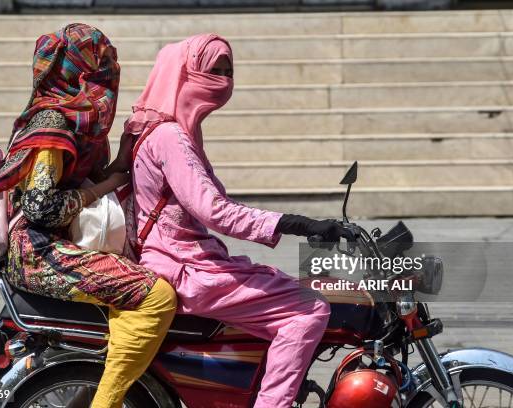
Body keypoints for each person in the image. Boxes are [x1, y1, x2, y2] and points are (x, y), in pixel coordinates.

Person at [125, 33, 357, 408]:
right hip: (185, 268)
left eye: (227, 72)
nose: (221, 82)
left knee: (281, 285)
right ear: (184, 73)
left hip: (189, 261)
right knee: (309, 309)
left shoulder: (168, 129)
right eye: (211, 71)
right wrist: (297, 224)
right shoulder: (170, 137)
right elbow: (213, 209)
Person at [0, 23, 176, 408]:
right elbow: (41, 209)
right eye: (102, 61)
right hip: (38, 252)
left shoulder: (80, 122)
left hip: (57, 242)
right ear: (79, 68)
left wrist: (122, 160)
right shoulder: (54, 123)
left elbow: (78, 184)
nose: (112, 69)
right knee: (156, 296)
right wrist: (106, 186)